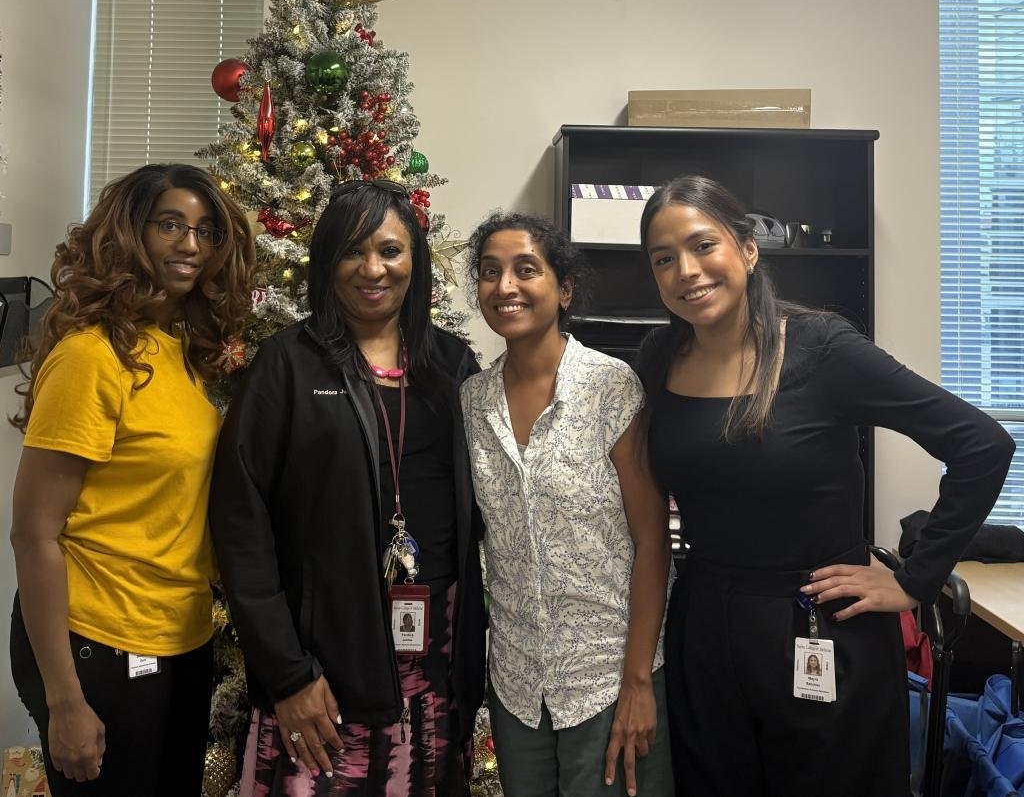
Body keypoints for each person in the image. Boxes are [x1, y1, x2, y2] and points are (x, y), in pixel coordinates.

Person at [636, 175, 1015, 797]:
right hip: (704, 629)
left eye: (704, 245)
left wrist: (914, 580)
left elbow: (982, 445)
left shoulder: (822, 347)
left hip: (822, 624)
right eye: (663, 258)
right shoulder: (659, 356)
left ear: (748, 249)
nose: (687, 270)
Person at [210, 179, 486, 796]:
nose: (373, 269)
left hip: (436, 664)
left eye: (390, 251)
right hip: (322, 669)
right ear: (327, 262)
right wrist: (286, 676)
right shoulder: (286, 364)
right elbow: (240, 525)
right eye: (352, 252)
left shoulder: (453, 365)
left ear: (415, 259)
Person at [9, 163, 255, 797]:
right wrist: (65, 702)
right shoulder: (91, 356)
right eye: (169, 224)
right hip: (98, 643)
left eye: (205, 230)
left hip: (182, 636)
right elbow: (34, 536)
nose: (190, 245)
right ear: (128, 233)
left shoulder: (183, 352)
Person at [460, 213, 674, 797]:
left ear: (565, 288)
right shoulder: (472, 401)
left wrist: (637, 683)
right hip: (518, 685)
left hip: (608, 678)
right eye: (489, 272)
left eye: (525, 269)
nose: (505, 286)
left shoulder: (612, 385)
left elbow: (653, 543)